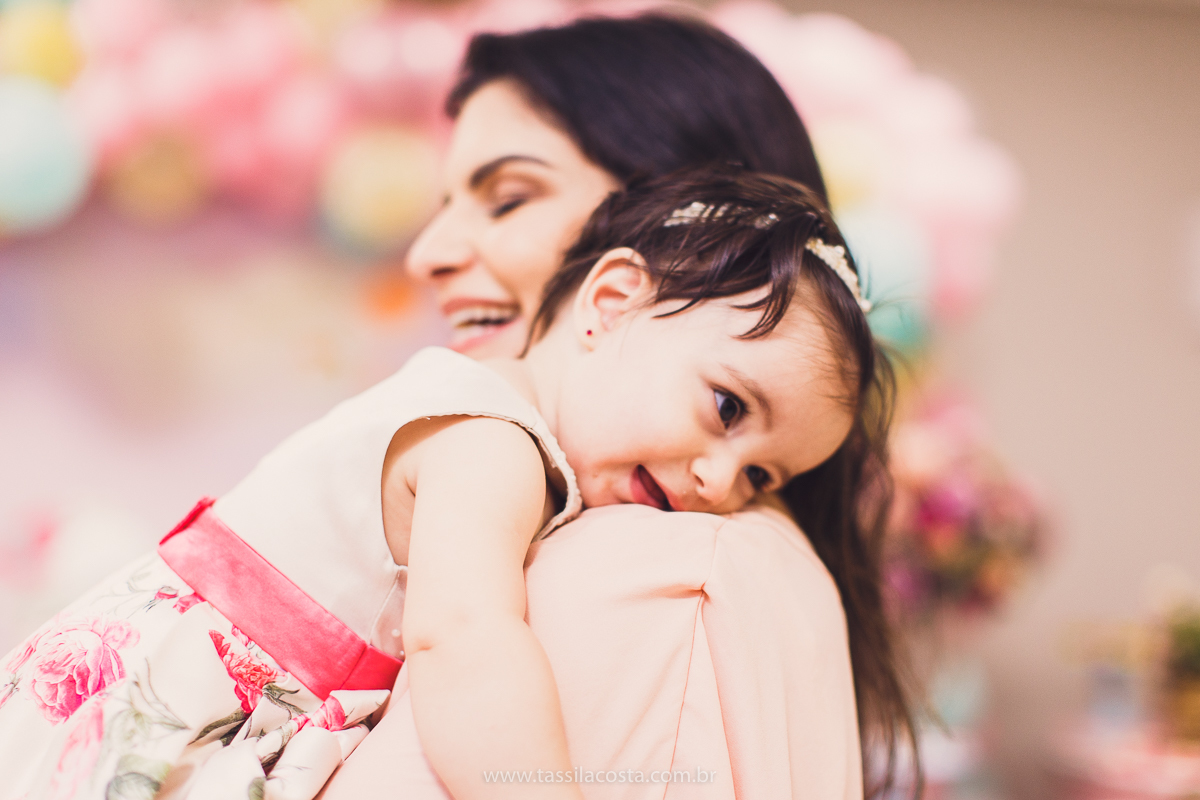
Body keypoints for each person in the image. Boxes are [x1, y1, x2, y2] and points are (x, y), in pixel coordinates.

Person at [0, 167, 873, 800]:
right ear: (611, 302)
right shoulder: (490, 439)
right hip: (173, 708)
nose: (722, 481)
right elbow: (466, 642)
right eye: (726, 406)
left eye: (764, 473)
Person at [325, 14, 915, 799]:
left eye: (508, 197)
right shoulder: (510, 456)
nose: (426, 254)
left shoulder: (669, 569)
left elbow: (465, 651)